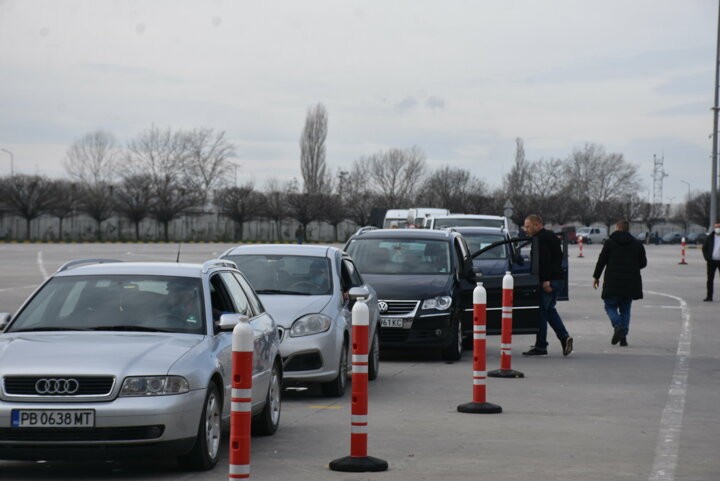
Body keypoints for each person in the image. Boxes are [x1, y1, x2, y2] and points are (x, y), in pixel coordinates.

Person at [522, 214, 573, 357]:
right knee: (549, 310)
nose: (526, 229)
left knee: (541, 313)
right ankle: (564, 338)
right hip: (557, 279)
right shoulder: (551, 237)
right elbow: (558, 258)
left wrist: (545, 281)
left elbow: (544, 262)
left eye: (528, 226)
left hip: (549, 281)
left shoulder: (541, 239)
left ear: (537, 224)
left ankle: (541, 346)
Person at [591, 220, 647, 346]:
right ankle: (623, 337)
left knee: (609, 306)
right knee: (625, 309)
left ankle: (617, 325)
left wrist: (596, 277)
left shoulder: (609, 243)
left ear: (617, 228)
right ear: (627, 229)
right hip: (630, 283)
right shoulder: (637, 244)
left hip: (612, 282)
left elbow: (602, 261)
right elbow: (643, 263)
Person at [702, 222, 720, 302]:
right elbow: (704, 248)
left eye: (719, 227)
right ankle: (709, 296)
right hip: (711, 261)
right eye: (716, 227)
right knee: (710, 279)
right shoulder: (710, 237)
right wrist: (707, 258)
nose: (717, 229)